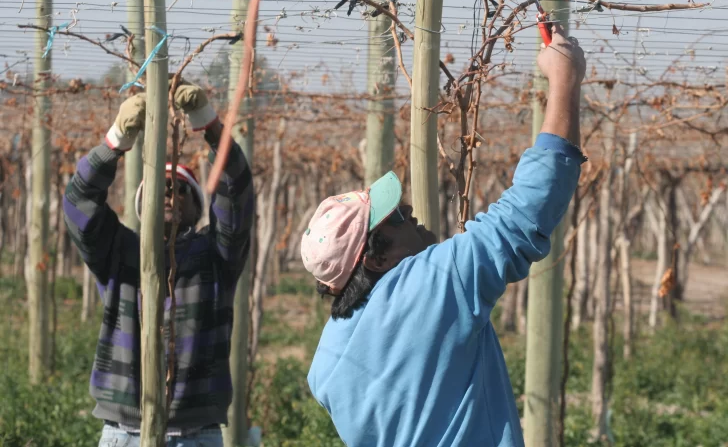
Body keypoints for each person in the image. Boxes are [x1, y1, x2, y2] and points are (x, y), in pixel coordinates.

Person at [300, 22, 586, 447]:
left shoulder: (324, 366)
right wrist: (565, 80)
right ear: (375, 259)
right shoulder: (428, 285)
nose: (410, 210)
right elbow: (527, 210)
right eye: (396, 216)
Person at [63, 82, 254, 447]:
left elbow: (237, 191)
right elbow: (77, 203)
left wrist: (209, 123)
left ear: (198, 208)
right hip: (124, 433)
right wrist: (116, 140)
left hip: (197, 435)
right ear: (141, 204)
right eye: (162, 187)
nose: (171, 193)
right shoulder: (119, 252)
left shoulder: (215, 258)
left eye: (181, 188)